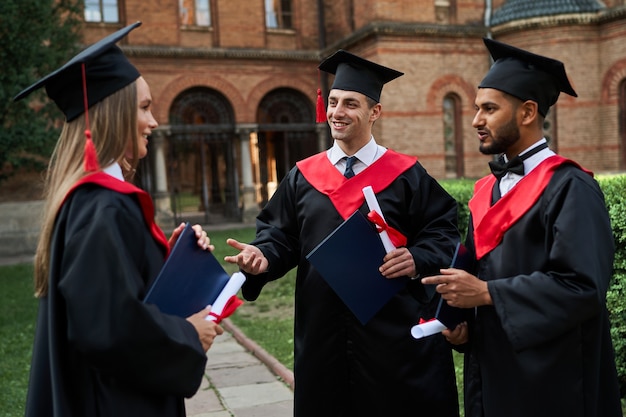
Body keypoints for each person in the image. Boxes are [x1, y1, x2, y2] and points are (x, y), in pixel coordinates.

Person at [225, 50, 461, 417]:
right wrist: (263, 256)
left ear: (374, 112)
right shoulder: (303, 176)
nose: (337, 112)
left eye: (350, 103)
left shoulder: (406, 175)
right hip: (323, 334)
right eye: (333, 102)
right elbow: (280, 235)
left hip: (392, 333)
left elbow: (443, 232)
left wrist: (417, 257)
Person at [14, 22, 224, 417]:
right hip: (114, 403)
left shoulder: (87, 201)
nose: (154, 121)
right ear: (112, 114)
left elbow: (108, 295)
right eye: (144, 107)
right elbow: (107, 327)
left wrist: (167, 260)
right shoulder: (103, 205)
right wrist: (188, 335)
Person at [422, 38, 623, 417]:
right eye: (478, 108)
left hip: (551, 380)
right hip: (493, 371)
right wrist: (462, 327)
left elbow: (583, 286)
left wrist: (486, 294)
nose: (476, 120)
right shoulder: (487, 190)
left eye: (489, 109)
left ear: (528, 112)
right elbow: (479, 275)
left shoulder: (571, 188)